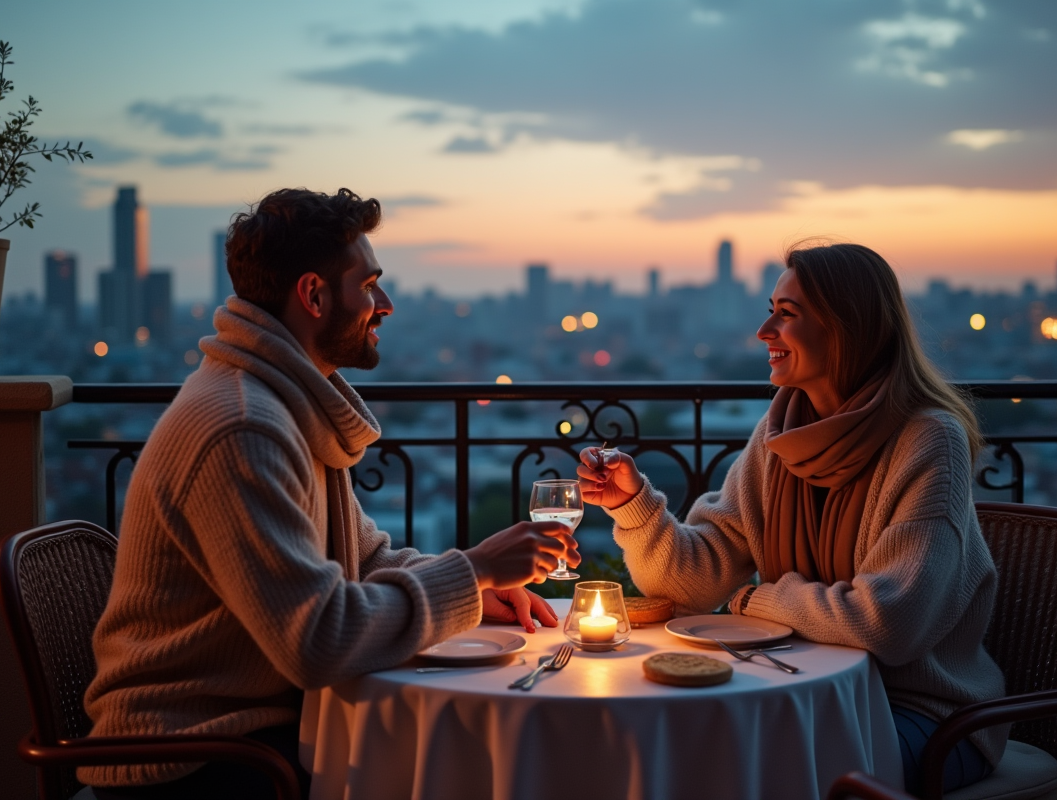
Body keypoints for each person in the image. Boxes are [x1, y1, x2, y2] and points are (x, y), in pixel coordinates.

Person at [81, 188, 579, 800]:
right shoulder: (243, 426)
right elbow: (317, 640)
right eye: (368, 285)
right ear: (314, 295)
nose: (386, 305)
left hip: (258, 731)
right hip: (193, 761)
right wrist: (472, 568)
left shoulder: (288, 403)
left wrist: (477, 588)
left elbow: (365, 560)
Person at [578, 242, 1005, 795]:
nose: (764, 330)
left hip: (922, 716)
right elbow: (695, 581)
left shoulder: (928, 440)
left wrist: (759, 600)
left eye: (787, 313)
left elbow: (887, 625)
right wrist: (630, 503)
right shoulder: (781, 434)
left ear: (846, 329)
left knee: (740, 770)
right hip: (804, 695)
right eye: (770, 308)